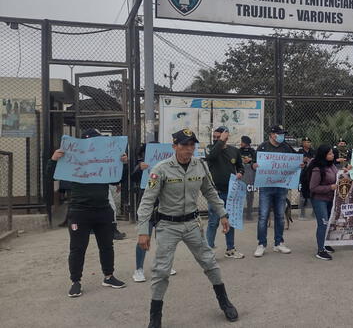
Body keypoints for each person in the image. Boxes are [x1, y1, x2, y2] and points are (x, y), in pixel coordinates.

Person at [137, 128, 238, 326]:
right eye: (184, 145)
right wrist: (143, 231)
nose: (189, 149)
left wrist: (223, 214)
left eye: (192, 145)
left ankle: (224, 302)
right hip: (168, 225)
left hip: (192, 224)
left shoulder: (200, 166)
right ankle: (155, 317)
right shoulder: (161, 169)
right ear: (174, 146)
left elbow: (210, 192)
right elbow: (147, 201)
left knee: (210, 263)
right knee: (161, 271)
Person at [46, 128, 128, 298]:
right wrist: (53, 160)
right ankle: (75, 281)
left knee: (107, 245)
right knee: (77, 248)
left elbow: (117, 179)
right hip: (79, 211)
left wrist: (123, 164)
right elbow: (51, 176)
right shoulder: (72, 160)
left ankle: (109, 276)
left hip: (103, 209)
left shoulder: (105, 160)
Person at [130, 143, 177, 283]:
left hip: (164, 205)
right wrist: (139, 169)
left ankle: (164, 265)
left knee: (165, 238)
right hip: (148, 206)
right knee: (144, 237)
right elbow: (132, 178)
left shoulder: (167, 164)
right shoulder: (141, 164)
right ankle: (138, 269)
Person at [253, 125, 300, 257]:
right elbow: (253, 164)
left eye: (282, 134)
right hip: (266, 187)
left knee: (280, 215)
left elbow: (295, 161)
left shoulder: (286, 147)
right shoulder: (262, 147)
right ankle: (261, 244)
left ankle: (278, 243)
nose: (282, 136)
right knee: (263, 216)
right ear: (272, 135)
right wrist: (254, 165)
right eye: (279, 134)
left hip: (281, 186)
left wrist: (300, 164)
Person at [204, 126, 245, 259]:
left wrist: (240, 173)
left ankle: (230, 249)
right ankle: (208, 251)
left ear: (226, 137)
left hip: (231, 192)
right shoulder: (210, 148)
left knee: (230, 221)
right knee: (213, 222)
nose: (216, 139)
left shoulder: (234, 151)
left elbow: (240, 165)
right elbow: (212, 156)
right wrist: (219, 142)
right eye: (214, 137)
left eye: (219, 137)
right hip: (216, 193)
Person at [308, 144, 339, 261]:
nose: (332, 155)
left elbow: (337, 175)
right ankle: (320, 250)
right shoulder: (317, 169)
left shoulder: (332, 166)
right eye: (330, 153)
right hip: (319, 199)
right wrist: (329, 188)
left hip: (330, 199)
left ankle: (325, 244)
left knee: (328, 222)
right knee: (323, 223)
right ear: (323, 155)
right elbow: (313, 187)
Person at [239, 136, 257, 221]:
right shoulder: (239, 151)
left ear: (246, 143)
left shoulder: (253, 151)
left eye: (242, 142)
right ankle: (239, 213)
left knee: (250, 195)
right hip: (241, 175)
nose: (241, 143)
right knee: (240, 195)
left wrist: (250, 160)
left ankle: (249, 213)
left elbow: (257, 161)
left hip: (250, 175)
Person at [297, 137, 316, 219]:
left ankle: (313, 213)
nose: (308, 143)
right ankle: (302, 212)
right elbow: (296, 161)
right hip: (303, 173)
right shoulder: (300, 151)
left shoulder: (313, 152)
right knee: (302, 195)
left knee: (313, 193)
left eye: (309, 142)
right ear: (303, 143)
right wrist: (302, 159)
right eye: (306, 142)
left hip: (311, 173)